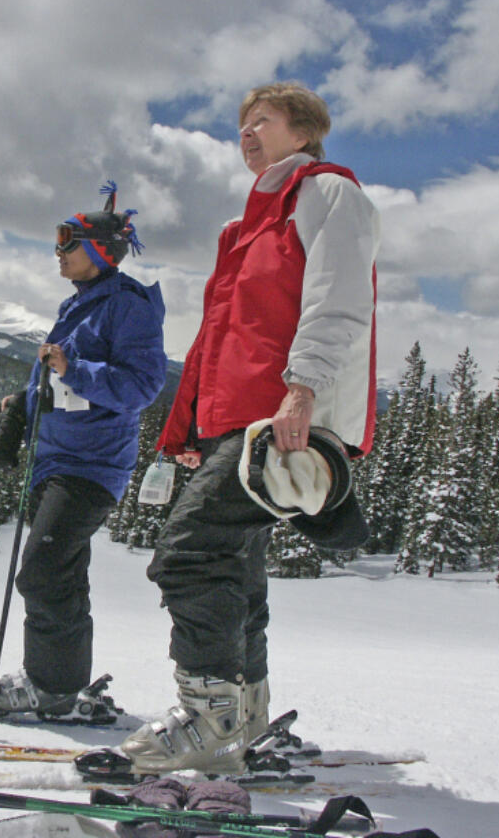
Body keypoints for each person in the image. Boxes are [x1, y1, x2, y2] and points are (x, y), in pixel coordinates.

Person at [119, 82, 380, 774]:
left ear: (304, 131)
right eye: (241, 126)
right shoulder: (244, 230)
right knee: (236, 565)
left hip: (284, 418)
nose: (246, 134)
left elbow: (340, 299)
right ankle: (247, 714)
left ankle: (209, 718)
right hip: (231, 426)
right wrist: (185, 432)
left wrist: (304, 390)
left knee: (189, 552)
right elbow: (215, 342)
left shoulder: (328, 195)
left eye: (261, 121)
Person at [0, 182, 167, 720]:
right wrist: (19, 412)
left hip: (92, 465)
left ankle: (50, 687)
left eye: (68, 244)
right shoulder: (77, 306)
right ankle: (64, 687)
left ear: (101, 250)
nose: (58, 253)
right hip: (55, 462)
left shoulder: (129, 307)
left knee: (43, 572)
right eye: (58, 243)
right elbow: (53, 382)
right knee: (62, 574)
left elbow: (142, 386)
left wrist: (73, 369)